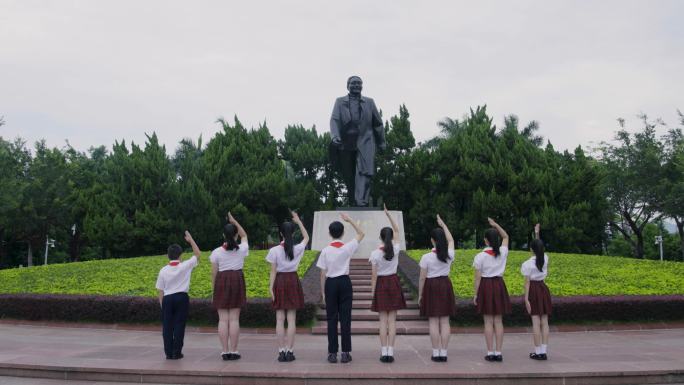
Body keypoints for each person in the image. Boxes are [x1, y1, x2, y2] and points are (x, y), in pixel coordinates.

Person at [328, 75, 386, 206]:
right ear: (347, 86)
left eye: (359, 83)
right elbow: (335, 120)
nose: (356, 85)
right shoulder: (339, 101)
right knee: (348, 174)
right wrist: (335, 136)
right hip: (346, 142)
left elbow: (378, 124)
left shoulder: (369, 102)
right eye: (353, 83)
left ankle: (362, 202)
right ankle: (353, 200)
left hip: (365, 140)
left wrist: (381, 141)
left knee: (365, 171)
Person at [316, 213, 365, 364]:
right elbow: (361, 233)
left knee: (331, 319)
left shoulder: (325, 250)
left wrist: (323, 291)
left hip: (331, 283)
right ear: (343, 233)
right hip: (344, 283)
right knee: (345, 319)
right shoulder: (348, 247)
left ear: (330, 233)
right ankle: (345, 353)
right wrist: (350, 219)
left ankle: (332, 353)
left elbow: (322, 273)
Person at [267, 211, 310, 362]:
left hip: (279, 281)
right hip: (292, 280)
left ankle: (281, 351)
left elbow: (273, 271)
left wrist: (270, 288)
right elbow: (306, 238)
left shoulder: (274, 250)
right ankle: (290, 351)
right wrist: (298, 221)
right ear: (293, 232)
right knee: (291, 319)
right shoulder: (298, 248)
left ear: (280, 233)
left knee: (279, 319)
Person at [155, 231, 201, 360]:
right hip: (181, 298)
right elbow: (198, 254)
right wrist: (191, 240)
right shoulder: (185, 265)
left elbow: (160, 290)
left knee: (167, 327)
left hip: (168, 299)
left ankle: (168, 353)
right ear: (180, 255)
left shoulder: (163, 270)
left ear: (167, 256)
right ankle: (177, 352)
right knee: (179, 325)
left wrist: (162, 305)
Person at [369, 204, 406, 363]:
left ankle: (384, 352)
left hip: (382, 284)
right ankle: (391, 352)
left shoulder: (375, 253)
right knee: (392, 321)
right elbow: (397, 231)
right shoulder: (396, 248)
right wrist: (388, 214)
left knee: (382, 321)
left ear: (380, 237)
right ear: (391, 237)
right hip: (393, 281)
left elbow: (373, 275)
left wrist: (372, 292)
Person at [210, 212, 248, 361]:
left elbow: (214, 274)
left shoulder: (216, 252)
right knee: (234, 319)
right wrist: (235, 221)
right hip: (237, 280)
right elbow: (244, 235)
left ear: (223, 235)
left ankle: (224, 351)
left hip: (221, 281)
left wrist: (214, 291)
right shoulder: (242, 248)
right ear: (236, 236)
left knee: (222, 319)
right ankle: (234, 350)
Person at [473, 217, 511, 362]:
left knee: (488, 321)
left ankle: (490, 353)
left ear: (486, 240)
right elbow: (506, 236)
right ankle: (499, 352)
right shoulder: (502, 251)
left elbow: (477, 278)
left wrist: (475, 294)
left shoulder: (480, 256)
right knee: (498, 321)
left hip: (486, 286)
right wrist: (496, 224)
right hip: (499, 285)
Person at [418, 215, 456, 362]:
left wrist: (421, 295)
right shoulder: (449, 254)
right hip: (445, 285)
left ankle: (435, 353)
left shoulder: (426, 257)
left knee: (433, 321)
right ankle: (444, 353)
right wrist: (443, 224)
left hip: (431, 286)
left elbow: (422, 278)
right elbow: (451, 240)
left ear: (432, 240)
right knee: (445, 321)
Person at [522, 223, 552, 360]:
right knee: (544, 321)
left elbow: (527, 282)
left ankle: (537, 351)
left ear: (531, 249)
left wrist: (526, 299)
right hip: (543, 288)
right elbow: (538, 246)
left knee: (535, 321)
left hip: (533, 290)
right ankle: (544, 351)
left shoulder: (527, 264)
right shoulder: (545, 258)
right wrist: (537, 234)